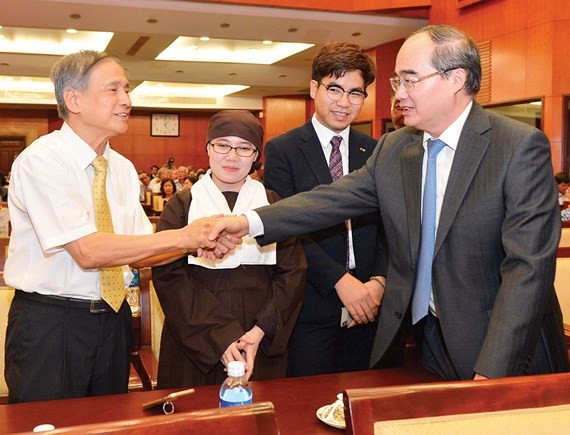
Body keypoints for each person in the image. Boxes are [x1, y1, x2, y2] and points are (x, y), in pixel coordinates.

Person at [209, 24, 569, 381]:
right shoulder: (397, 148)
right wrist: (245, 223)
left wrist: (491, 372)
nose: (399, 94)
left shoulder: (517, 146)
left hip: (500, 350)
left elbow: (528, 270)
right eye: (397, 81)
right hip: (429, 341)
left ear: (456, 79)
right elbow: (330, 200)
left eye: (410, 79)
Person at [4, 50, 235, 404]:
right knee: (48, 425)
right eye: (113, 90)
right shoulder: (42, 161)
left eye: (126, 89)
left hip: (113, 320)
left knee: (110, 422)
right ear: (74, 99)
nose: (127, 100)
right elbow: (88, 251)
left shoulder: (122, 168)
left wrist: (196, 244)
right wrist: (185, 235)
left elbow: (144, 249)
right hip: (52, 324)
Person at [152, 110, 306, 388]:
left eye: (244, 147)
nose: (232, 156)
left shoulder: (273, 205)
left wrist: (260, 331)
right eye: (222, 145)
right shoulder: (181, 205)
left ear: (256, 155)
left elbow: (293, 272)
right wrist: (220, 337)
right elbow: (169, 276)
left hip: (259, 340)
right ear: (208, 148)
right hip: (195, 338)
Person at [263, 41, 388, 376]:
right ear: (314, 88)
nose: (344, 102)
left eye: (355, 92)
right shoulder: (283, 150)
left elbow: (390, 228)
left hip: (371, 307)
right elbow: (287, 228)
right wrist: (340, 280)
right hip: (312, 306)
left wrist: (378, 281)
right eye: (335, 89)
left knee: (366, 406)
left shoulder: (377, 152)